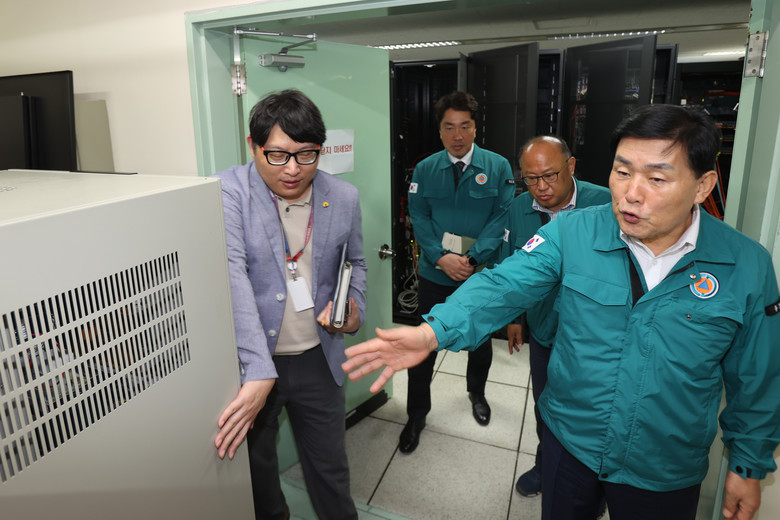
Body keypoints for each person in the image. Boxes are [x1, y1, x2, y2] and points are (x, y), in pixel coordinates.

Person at [342, 104, 780, 520]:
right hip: (571, 444)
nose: (631, 194)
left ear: (702, 186)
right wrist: (433, 332)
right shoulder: (572, 232)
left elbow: (757, 379)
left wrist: (748, 464)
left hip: (662, 466)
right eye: (622, 172)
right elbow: (504, 284)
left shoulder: (745, 266)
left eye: (657, 178)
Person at [213, 89, 367, 520]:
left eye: (307, 154)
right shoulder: (227, 192)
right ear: (253, 146)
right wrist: (259, 370)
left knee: (330, 472)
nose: (294, 169)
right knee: (258, 475)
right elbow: (231, 273)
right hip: (252, 363)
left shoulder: (343, 196)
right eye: (278, 155)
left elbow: (356, 262)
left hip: (319, 357)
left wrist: (354, 309)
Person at [402, 90, 514, 453]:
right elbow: (419, 216)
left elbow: (502, 216)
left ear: (476, 128)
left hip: (478, 275)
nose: (458, 135)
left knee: (479, 342)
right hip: (435, 274)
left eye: (465, 126)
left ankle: (476, 393)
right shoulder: (425, 169)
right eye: (449, 127)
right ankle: (416, 414)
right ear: (439, 131)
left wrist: (473, 258)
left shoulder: (497, 167)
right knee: (424, 345)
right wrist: (440, 257)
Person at [499, 136, 610, 497]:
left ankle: (593, 484)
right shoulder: (519, 209)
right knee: (545, 406)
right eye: (531, 178)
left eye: (550, 175)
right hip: (545, 330)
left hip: (595, 339)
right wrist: (515, 319)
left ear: (571, 166)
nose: (541, 187)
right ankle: (545, 464)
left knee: (592, 413)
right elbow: (512, 269)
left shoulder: (606, 203)